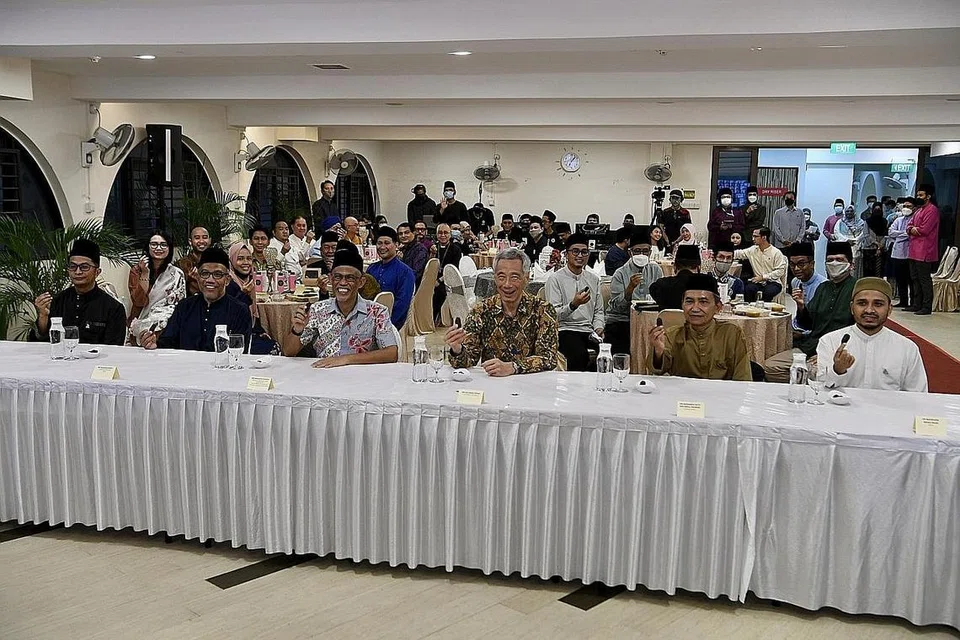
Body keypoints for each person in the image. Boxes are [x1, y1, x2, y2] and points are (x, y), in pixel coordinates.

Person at [446, 247, 558, 376]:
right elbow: (468, 360)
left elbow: (549, 358)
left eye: (514, 277)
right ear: (494, 278)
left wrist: (514, 367)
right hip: (492, 382)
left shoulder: (543, 310)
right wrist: (457, 349)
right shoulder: (481, 311)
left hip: (531, 382)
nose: (507, 284)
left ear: (526, 278)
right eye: (501, 277)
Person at [283, 244, 398, 367]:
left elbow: (391, 354)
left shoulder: (377, 312)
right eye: (337, 277)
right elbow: (289, 352)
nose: (343, 283)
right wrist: (297, 331)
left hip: (362, 375)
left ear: (361, 282)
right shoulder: (317, 310)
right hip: (325, 374)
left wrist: (346, 359)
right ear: (330, 279)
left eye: (350, 278)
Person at [816, 277, 927, 392]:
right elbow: (820, 389)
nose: (869, 310)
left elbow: (918, 394)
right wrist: (837, 370)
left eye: (878, 304)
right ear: (852, 308)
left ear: (889, 309)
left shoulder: (907, 348)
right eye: (862, 303)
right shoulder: (830, 341)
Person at [141, 247, 252, 351]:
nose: (210, 280)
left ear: (227, 280)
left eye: (217, 274)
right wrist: (154, 343)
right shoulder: (184, 307)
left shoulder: (239, 310)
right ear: (197, 277)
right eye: (205, 273)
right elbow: (168, 342)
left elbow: (238, 352)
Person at [648, 273, 751, 381]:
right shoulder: (671, 335)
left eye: (703, 302)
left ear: (718, 307)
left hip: (723, 391)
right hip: (684, 391)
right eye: (689, 301)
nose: (695, 308)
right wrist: (658, 352)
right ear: (682, 305)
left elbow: (743, 379)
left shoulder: (732, 334)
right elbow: (658, 371)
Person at [32, 238, 126, 346]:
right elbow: (40, 343)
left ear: (97, 272)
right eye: (73, 266)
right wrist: (43, 316)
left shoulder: (113, 308)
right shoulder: (58, 301)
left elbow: (114, 349)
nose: (77, 272)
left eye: (84, 267)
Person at [543, 234, 605, 371]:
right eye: (575, 251)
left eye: (584, 252)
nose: (580, 256)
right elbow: (552, 315)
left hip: (589, 330)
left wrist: (599, 327)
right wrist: (573, 305)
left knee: (609, 352)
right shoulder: (555, 279)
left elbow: (598, 310)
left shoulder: (593, 279)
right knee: (579, 355)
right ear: (566, 254)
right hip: (565, 329)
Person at [606, 227, 665, 354]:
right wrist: (629, 289)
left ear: (650, 252)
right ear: (630, 253)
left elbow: (661, 298)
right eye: (637, 251)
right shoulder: (620, 273)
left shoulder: (656, 270)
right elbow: (616, 307)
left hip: (649, 319)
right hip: (623, 319)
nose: (641, 255)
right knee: (620, 341)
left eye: (645, 251)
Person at [127, 231, 187, 345]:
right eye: (154, 244)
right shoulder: (136, 271)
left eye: (163, 245)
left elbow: (179, 305)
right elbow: (139, 302)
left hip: (167, 325)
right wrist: (145, 273)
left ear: (169, 248)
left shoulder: (176, 273)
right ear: (148, 247)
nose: (158, 248)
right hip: (140, 321)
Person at [366, 226, 416, 328]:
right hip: (369, 321)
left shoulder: (405, 272)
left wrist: (384, 324)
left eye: (387, 243)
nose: (382, 247)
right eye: (379, 243)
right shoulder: (372, 268)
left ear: (396, 245)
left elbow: (402, 304)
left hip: (392, 323)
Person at [907, 183, 940, 315]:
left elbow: (925, 230)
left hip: (925, 250)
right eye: (917, 195)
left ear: (928, 196)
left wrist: (914, 230)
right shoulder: (918, 210)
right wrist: (912, 229)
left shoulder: (932, 210)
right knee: (914, 279)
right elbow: (909, 226)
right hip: (913, 250)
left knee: (924, 280)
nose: (918, 197)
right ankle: (916, 304)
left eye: (921, 195)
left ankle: (926, 306)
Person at [733, 226, 787, 302]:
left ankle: (765, 309)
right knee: (748, 289)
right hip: (757, 282)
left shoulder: (776, 252)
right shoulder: (753, 250)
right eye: (753, 236)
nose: (753, 239)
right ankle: (750, 308)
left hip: (773, 282)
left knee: (768, 292)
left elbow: (780, 271)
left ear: (764, 237)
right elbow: (739, 253)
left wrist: (763, 277)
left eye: (756, 236)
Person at [787, 242, 825, 334]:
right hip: (799, 325)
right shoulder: (795, 281)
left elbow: (822, 322)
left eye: (801, 264)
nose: (796, 269)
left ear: (812, 264)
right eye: (792, 264)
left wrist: (803, 334)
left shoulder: (823, 285)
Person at [650, 244, 700, 311]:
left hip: (668, 318)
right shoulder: (707, 286)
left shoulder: (660, 285)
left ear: (674, 267)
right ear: (698, 267)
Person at [431, 223, 464, 320]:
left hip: (448, 280)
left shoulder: (456, 249)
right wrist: (432, 254)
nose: (443, 235)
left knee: (438, 293)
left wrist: (439, 281)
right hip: (433, 279)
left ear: (450, 234)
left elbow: (454, 269)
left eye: (445, 233)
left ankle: (436, 319)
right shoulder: (434, 248)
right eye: (440, 233)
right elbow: (429, 265)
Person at [887, 198, 916, 308]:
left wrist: (899, 235)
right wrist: (904, 234)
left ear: (914, 208)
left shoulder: (915, 220)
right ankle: (903, 301)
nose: (906, 208)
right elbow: (891, 232)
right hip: (897, 253)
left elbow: (911, 234)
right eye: (905, 206)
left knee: (910, 279)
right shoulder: (898, 220)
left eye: (909, 206)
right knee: (900, 279)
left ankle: (913, 302)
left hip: (909, 254)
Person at [175, 226, 211, 296]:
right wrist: (188, 279)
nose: (201, 241)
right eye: (197, 238)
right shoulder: (181, 264)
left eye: (205, 237)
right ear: (190, 241)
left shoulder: (217, 262)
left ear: (209, 240)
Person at [226, 242, 258, 317]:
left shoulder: (249, 280)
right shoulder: (228, 283)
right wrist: (243, 293)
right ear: (232, 260)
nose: (246, 262)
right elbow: (231, 312)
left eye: (249, 258)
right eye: (240, 259)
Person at [861, 203, 888, 278]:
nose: (877, 211)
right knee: (868, 270)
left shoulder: (885, 221)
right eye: (875, 209)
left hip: (881, 249)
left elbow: (886, 235)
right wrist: (876, 243)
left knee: (879, 271)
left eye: (879, 209)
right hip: (869, 248)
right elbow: (866, 234)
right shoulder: (867, 221)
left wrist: (880, 247)